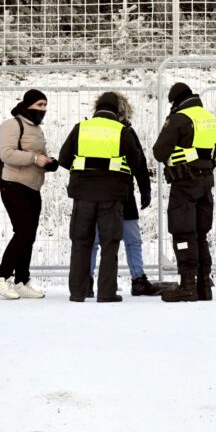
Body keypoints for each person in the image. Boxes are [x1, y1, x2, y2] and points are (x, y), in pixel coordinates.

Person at [58, 92, 147, 303]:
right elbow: (137, 163)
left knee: (81, 242)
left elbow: (63, 159)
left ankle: (78, 293)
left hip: (83, 196)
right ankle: (106, 293)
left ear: (96, 109)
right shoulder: (122, 131)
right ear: (117, 111)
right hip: (112, 196)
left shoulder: (81, 128)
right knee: (110, 243)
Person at [153, 82, 216, 302]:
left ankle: (187, 286)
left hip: (184, 183)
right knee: (201, 235)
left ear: (176, 101)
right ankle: (204, 287)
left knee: (183, 234)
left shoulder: (179, 119)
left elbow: (160, 152)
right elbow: (212, 151)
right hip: (205, 182)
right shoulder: (210, 118)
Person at [0, 89, 57, 300]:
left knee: (30, 234)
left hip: (33, 187)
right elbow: (6, 154)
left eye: (45, 105)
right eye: (39, 105)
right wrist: (36, 159)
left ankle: (21, 281)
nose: (42, 109)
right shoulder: (12, 125)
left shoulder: (36, 129)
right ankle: (1, 277)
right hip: (14, 185)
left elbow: (35, 155)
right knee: (24, 232)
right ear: (27, 105)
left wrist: (48, 163)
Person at [88, 93, 158, 297]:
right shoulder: (125, 131)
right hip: (121, 193)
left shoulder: (87, 130)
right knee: (132, 239)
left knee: (96, 240)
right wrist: (145, 188)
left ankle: (88, 280)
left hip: (95, 194)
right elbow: (139, 162)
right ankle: (138, 279)